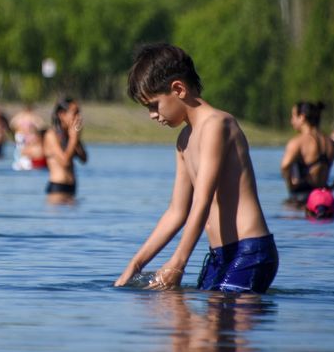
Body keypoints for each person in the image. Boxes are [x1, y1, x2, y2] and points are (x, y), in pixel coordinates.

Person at [114, 43, 278, 293]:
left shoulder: (217, 125)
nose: (152, 115)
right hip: (218, 256)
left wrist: (178, 262)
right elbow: (176, 212)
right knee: (175, 312)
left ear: (178, 88)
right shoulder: (183, 141)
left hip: (249, 252)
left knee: (213, 325)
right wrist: (135, 264)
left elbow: (202, 201)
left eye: (154, 105)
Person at [280, 102, 334, 206]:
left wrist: (291, 186)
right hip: (325, 199)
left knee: (287, 212)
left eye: (293, 116)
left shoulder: (298, 142)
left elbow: (285, 166)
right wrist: (332, 188)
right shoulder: (331, 143)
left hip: (301, 199)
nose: (291, 121)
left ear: (302, 117)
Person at [43, 97, 87, 204]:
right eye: (75, 113)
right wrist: (73, 139)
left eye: (79, 113)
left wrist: (76, 138)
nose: (78, 117)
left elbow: (84, 159)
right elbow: (65, 162)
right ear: (62, 115)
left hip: (71, 188)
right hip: (57, 188)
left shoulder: (70, 135)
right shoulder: (51, 135)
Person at [10, 103, 45, 170]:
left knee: (23, 149)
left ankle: (24, 161)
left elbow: (41, 125)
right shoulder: (27, 116)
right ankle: (22, 161)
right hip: (22, 136)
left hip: (26, 136)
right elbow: (41, 125)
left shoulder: (24, 116)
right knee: (21, 149)